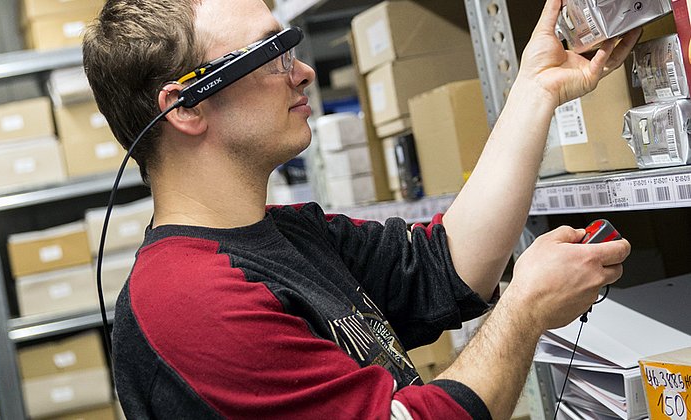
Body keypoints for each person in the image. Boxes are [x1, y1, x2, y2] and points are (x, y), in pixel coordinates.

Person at [82, 0, 635, 418]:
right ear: (185, 106)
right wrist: (523, 312)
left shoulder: (288, 236)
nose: (302, 72)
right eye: (271, 55)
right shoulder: (190, 303)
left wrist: (536, 91)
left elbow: (444, 265)